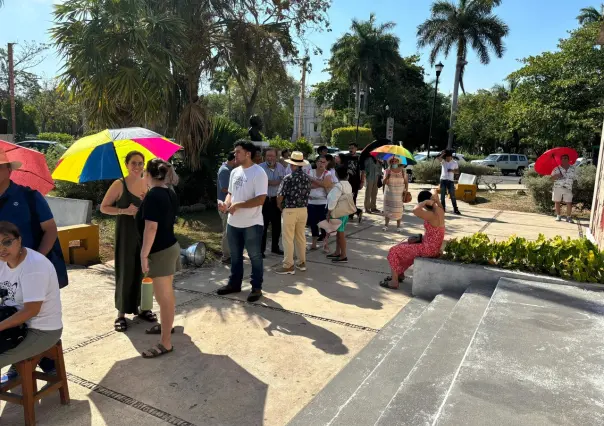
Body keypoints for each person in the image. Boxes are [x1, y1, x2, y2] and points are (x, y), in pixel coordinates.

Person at [0, 148, 66, 383]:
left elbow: (50, 229)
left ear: (9, 170)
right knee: (11, 309)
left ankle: (47, 363)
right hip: (5, 269)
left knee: (40, 316)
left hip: (35, 266)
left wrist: (35, 260)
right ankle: (19, 363)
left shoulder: (29, 196)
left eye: (0, 167)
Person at [100, 151, 156, 332]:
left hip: (144, 234)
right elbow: (103, 208)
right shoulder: (119, 184)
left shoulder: (147, 183)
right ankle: (121, 313)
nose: (137, 167)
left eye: (140, 163)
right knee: (125, 271)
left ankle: (144, 307)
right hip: (125, 235)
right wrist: (123, 211)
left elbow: (153, 209)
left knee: (144, 271)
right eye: (134, 163)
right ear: (126, 164)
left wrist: (145, 202)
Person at [0, 222, 63, 369]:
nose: (2, 248)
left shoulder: (33, 267)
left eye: (7, 242)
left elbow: (31, 310)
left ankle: (19, 369)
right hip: (13, 321)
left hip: (40, 330)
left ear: (19, 240)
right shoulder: (3, 262)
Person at [137, 159, 181, 358]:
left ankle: (166, 342)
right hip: (170, 246)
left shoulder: (154, 195)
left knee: (164, 298)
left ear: (148, 174)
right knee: (165, 295)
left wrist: (144, 254)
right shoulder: (168, 192)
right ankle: (166, 327)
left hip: (160, 251)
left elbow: (151, 227)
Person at [217, 140, 268, 302]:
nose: (235, 154)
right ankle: (234, 284)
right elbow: (230, 193)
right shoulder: (234, 172)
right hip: (233, 223)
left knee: (255, 256)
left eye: (238, 151)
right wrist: (226, 203)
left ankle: (256, 288)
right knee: (236, 256)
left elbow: (260, 199)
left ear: (248, 154)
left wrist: (239, 205)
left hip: (252, 223)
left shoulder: (259, 173)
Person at [380, 190, 445, 289]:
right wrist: (436, 200)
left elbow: (415, 210)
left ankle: (394, 282)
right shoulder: (439, 210)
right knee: (403, 246)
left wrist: (424, 202)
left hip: (428, 249)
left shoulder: (432, 215)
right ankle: (399, 274)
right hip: (432, 247)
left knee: (394, 250)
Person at [275, 152, 311, 274]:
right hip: (303, 209)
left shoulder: (288, 178)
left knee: (288, 238)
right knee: (300, 237)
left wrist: (280, 206)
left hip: (290, 209)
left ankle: (288, 265)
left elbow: (280, 195)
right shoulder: (307, 178)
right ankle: (301, 262)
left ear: (293, 165)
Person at [260, 148, 286, 257]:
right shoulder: (260, 168)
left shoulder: (280, 167)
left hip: (276, 199)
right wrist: (273, 182)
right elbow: (260, 182)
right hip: (264, 200)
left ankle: (275, 247)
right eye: (268, 156)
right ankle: (260, 250)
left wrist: (272, 182)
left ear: (276, 157)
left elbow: (283, 181)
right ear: (264, 156)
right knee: (263, 226)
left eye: (272, 156)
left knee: (276, 225)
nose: (270, 158)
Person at [326, 166, 353, 263]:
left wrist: (328, 213)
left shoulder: (338, 186)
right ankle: (338, 252)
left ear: (337, 175)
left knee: (341, 235)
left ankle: (343, 255)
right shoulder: (348, 185)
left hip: (338, 213)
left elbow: (333, 201)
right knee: (339, 233)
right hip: (344, 212)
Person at [307, 156, 333, 250]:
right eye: (319, 161)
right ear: (316, 162)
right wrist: (321, 183)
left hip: (323, 202)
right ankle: (313, 243)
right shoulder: (310, 171)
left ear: (326, 163)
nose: (321, 163)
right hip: (311, 201)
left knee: (323, 224)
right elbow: (307, 185)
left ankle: (325, 244)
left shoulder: (328, 173)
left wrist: (313, 180)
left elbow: (326, 184)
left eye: (323, 162)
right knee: (313, 223)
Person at [217, 152, 237, 264]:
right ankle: (226, 256)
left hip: (229, 205)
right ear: (233, 160)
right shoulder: (225, 170)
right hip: (224, 205)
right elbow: (225, 189)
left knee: (232, 231)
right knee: (227, 231)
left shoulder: (229, 170)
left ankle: (231, 254)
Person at [382, 156, 408, 232]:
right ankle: (386, 225)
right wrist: (388, 176)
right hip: (389, 193)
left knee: (399, 210)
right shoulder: (387, 171)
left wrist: (406, 192)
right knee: (388, 209)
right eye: (392, 161)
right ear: (390, 162)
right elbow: (384, 182)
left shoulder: (403, 170)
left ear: (398, 162)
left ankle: (398, 226)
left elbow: (406, 182)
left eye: (395, 161)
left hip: (399, 194)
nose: (394, 162)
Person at [551, 154, 576, 223]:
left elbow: (575, 177)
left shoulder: (573, 168)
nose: (564, 159)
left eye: (566, 158)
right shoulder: (556, 169)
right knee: (557, 202)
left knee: (569, 203)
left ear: (568, 160)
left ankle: (568, 217)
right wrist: (557, 175)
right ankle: (558, 216)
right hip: (557, 187)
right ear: (561, 160)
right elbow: (552, 178)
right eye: (563, 158)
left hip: (568, 188)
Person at [343, 143, 363, 222]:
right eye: (349, 148)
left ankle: (353, 213)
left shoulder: (359, 158)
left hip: (355, 181)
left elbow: (363, 171)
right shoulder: (345, 157)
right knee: (347, 198)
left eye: (352, 148)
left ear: (356, 149)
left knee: (353, 198)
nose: (351, 149)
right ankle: (356, 212)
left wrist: (362, 181)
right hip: (346, 181)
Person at [438, 150, 461, 215]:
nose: (447, 159)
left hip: (450, 181)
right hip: (443, 180)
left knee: (452, 195)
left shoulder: (454, 163)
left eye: (448, 157)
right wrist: (442, 154)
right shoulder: (443, 161)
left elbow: (457, 172)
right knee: (442, 196)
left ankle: (455, 209)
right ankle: (443, 208)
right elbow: (438, 158)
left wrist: (452, 170)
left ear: (451, 157)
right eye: (446, 157)